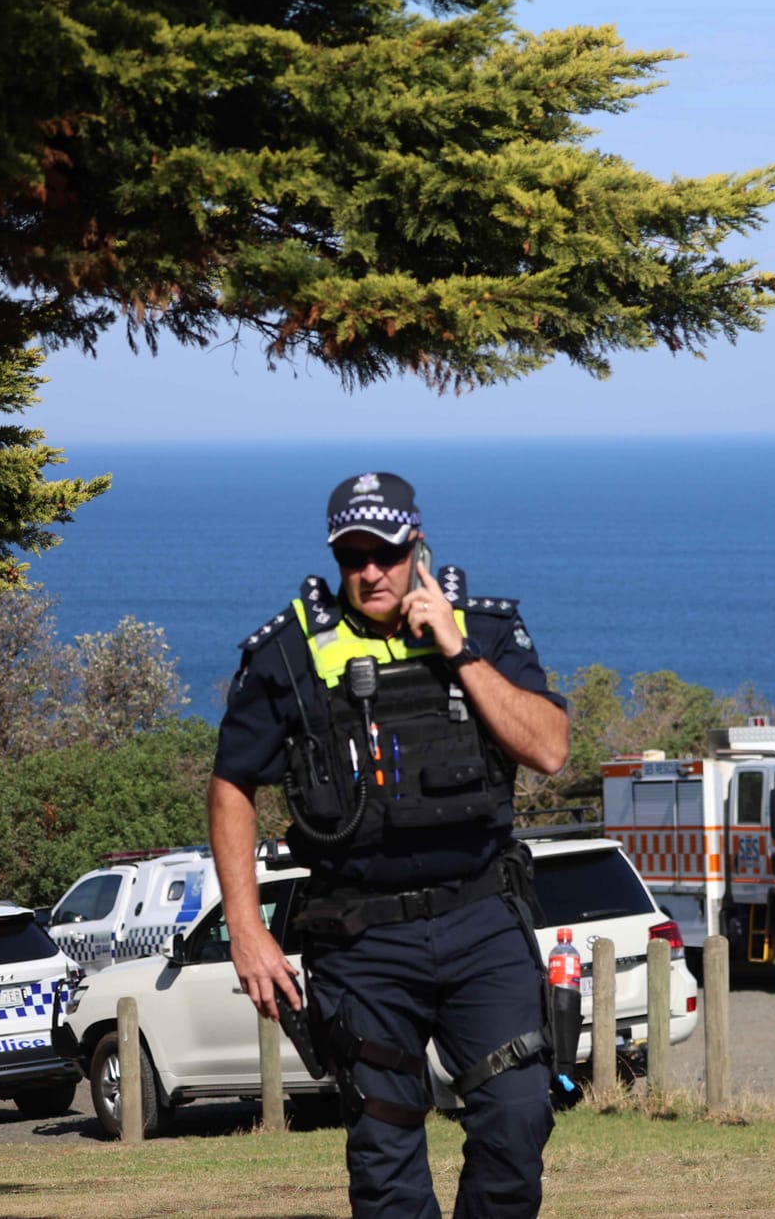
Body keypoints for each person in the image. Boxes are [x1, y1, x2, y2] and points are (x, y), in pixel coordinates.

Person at [208, 472, 569, 1219]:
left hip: (481, 920)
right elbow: (231, 784)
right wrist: (245, 930)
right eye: (353, 556)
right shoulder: (290, 652)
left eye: (387, 552)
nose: (370, 571)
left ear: (418, 545)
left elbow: (551, 749)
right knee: (385, 1151)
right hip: (360, 937)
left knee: (517, 1112)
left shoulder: (488, 629)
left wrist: (459, 650)